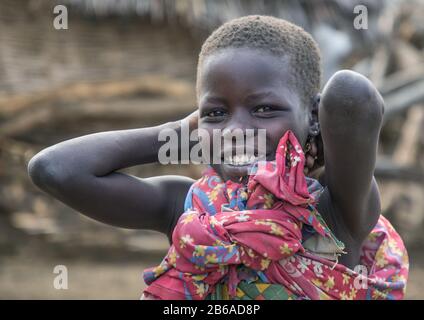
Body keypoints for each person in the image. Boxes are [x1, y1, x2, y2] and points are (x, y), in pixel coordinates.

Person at [28, 15, 408, 300]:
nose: (235, 130)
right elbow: (54, 169)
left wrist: (317, 128)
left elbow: (351, 93)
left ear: (313, 116)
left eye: (263, 109)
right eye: (216, 113)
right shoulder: (187, 208)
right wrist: (182, 131)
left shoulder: (335, 209)